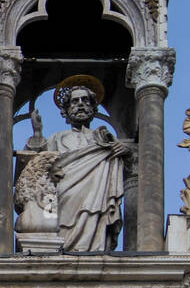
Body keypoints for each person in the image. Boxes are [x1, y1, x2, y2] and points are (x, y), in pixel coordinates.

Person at [26, 77, 130, 251]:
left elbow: (124, 160)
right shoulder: (57, 138)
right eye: (75, 101)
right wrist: (37, 134)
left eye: (85, 101)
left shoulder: (103, 138)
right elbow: (39, 163)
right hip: (64, 192)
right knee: (58, 222)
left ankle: (94, 247)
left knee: (94, 215)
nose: (80, 104)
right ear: (66, 110)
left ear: (93, 108)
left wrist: (124, 151)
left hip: (97, 193)